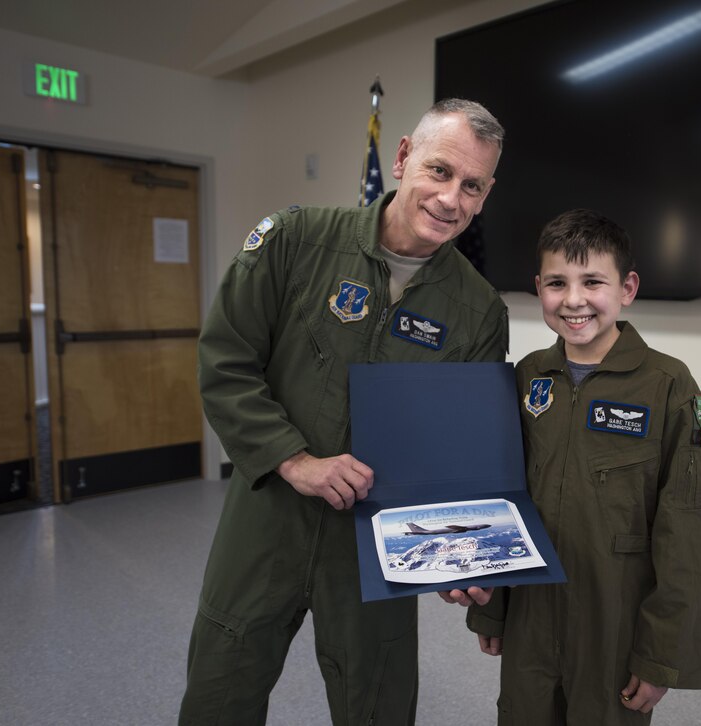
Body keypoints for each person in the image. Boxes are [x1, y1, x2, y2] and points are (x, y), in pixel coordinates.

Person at [179, 99, 507, 726]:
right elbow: (226, 359)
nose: (450, 199)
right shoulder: (295, 240)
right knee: (222, 689)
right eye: (440, 171)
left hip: (380, 543)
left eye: (472, 186)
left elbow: (463, 449)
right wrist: (293, 460)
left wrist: (463, 554)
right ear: (405, 156)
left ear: (485, 195)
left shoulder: (477, 310)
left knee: (377, 701)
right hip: (268, 516)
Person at [467, 209, 701, 724]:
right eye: (557, 283)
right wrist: (491, 607)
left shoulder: (667, 385)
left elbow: (683, 530)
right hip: (532, 612)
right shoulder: (528, 377)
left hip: (614, 620)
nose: (574, 300)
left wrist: (661, 656)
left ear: (627, 288)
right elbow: (502, 496)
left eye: (592, 282)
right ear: (538, 287)